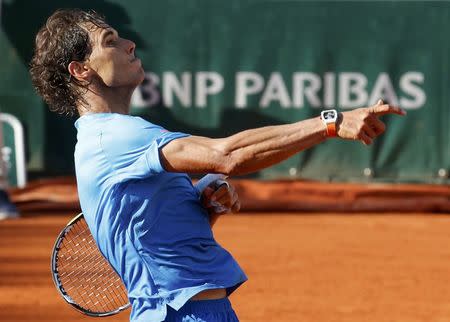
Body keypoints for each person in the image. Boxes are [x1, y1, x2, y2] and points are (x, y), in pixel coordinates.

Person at [29, 9, 406, 322]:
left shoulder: (115, 136)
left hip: (202, 308)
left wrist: (204, 204)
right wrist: (330, 123)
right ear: (80, 70)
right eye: (109, 41)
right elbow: (228, 154)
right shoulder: (114, 138)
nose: (129, 44)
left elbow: (157, 237)